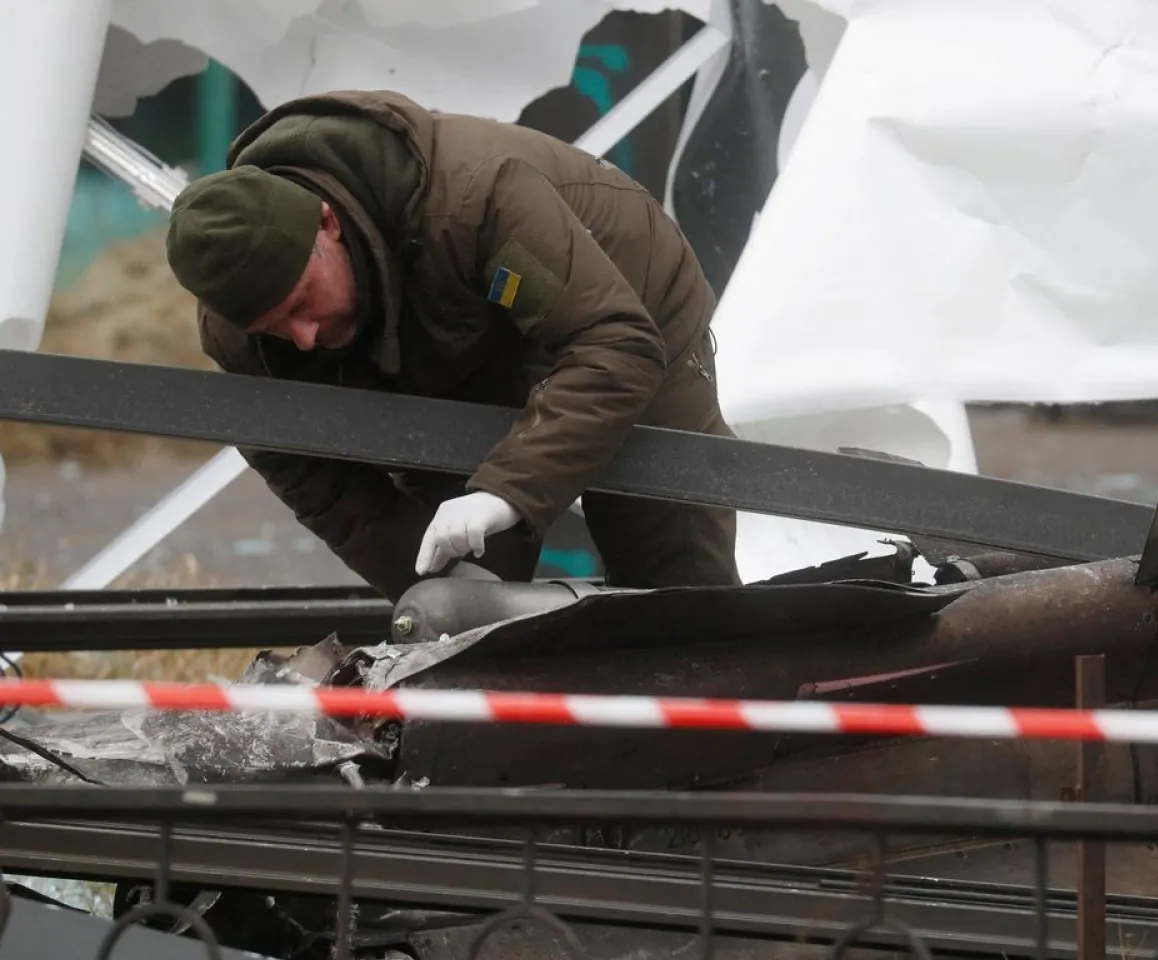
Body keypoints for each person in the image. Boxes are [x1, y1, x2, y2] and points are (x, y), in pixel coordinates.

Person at [164, 89, 741, 603]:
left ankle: (720, 706)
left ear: (327, 223)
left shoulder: (472, 200)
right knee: (461, 593)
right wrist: (441, 598)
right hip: (443, 359)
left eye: (301, 302)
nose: (304, 338)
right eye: (275, 326)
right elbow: (329, 492)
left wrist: (507, 489)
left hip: (622, 310)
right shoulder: (241, 337)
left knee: (671, 586)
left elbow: (613, 345)